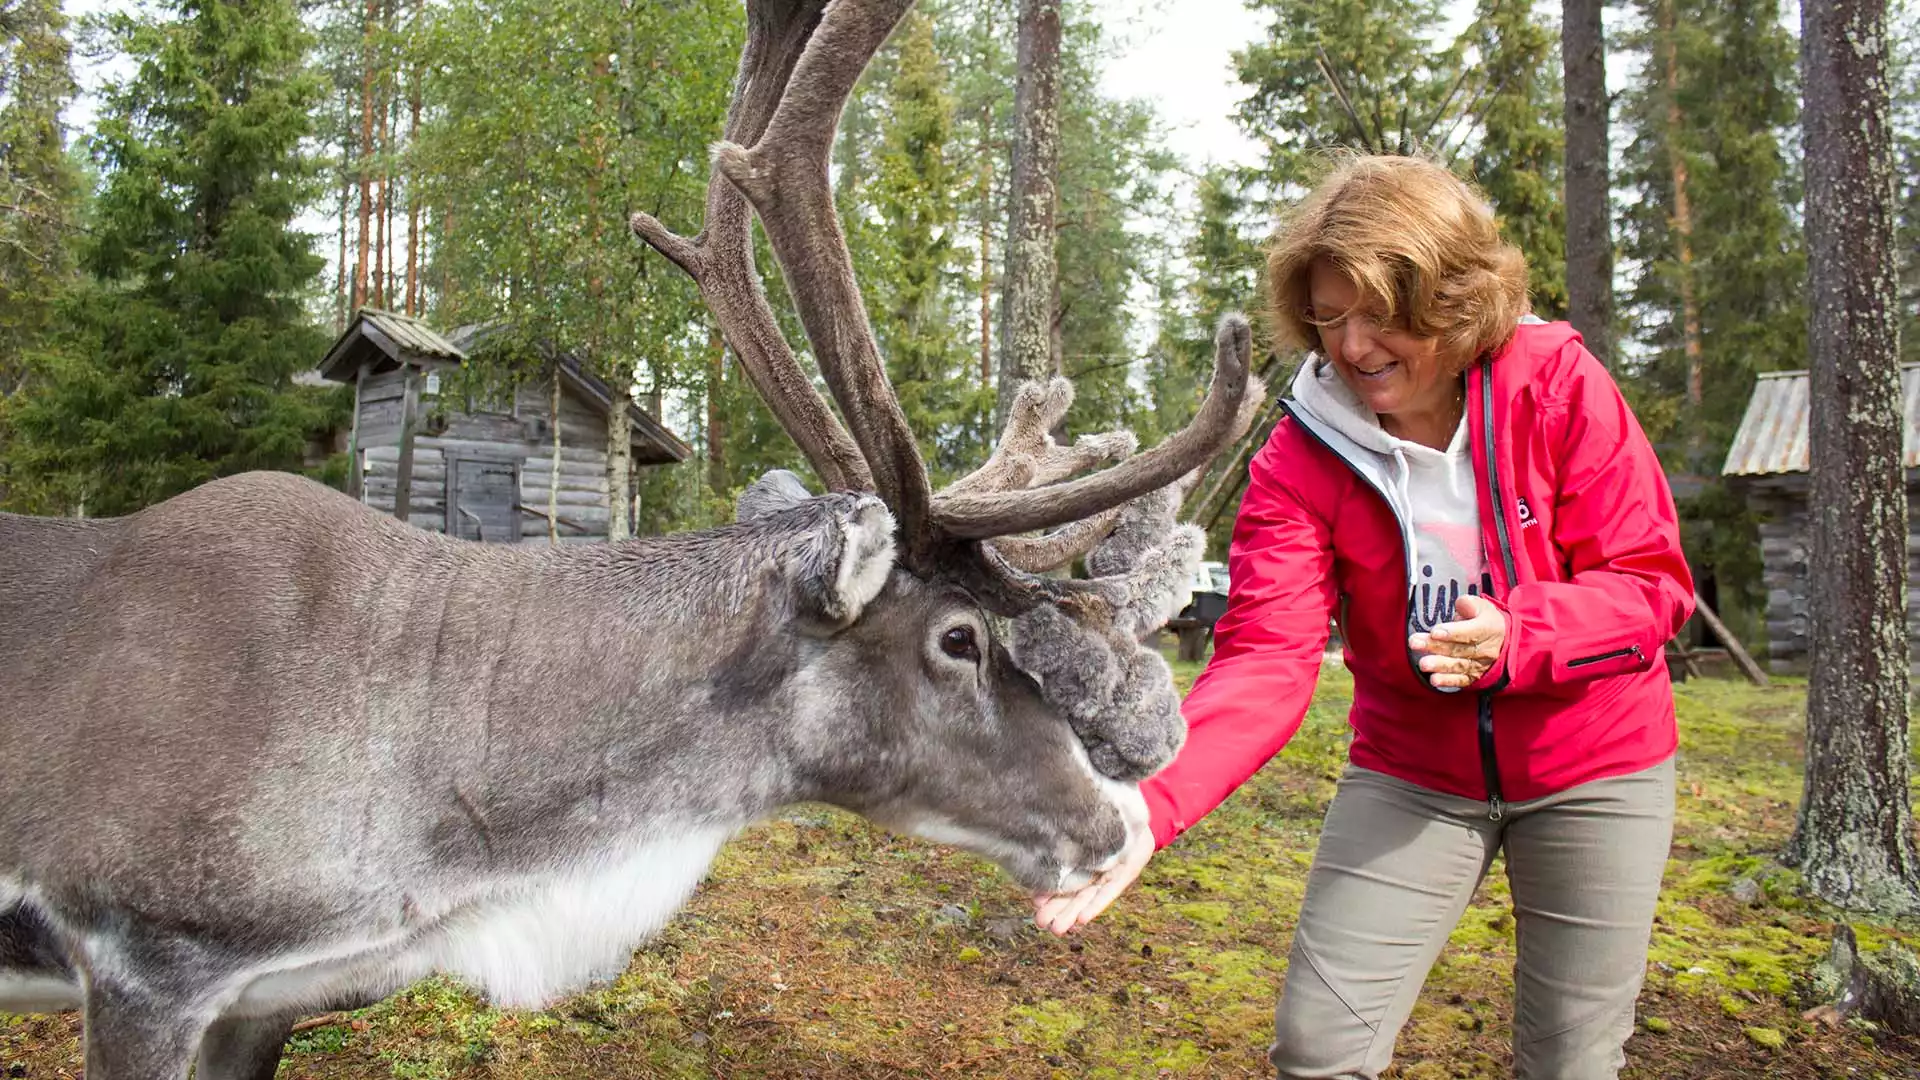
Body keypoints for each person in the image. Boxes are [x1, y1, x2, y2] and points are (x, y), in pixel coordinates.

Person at [1033, 154, 1693, 1080]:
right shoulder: (1300, 458)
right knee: (1318, 1046)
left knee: (1571, 1061)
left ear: (1450, 297)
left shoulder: (1557, 384)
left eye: (1378, 312)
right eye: (1330, 319)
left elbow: (1650, 584)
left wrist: (1521, 636)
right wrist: (1152, 806)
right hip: (1413, 771)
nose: (1353, 346)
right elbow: (1265, 655)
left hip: (1595, 765)